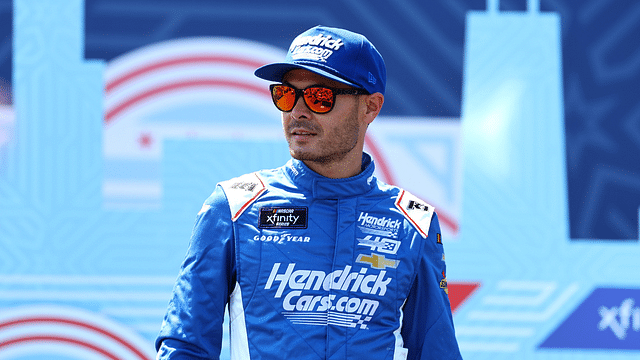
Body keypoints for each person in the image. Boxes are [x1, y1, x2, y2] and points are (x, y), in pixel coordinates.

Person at [155, 25, 462, 360]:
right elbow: (185, 348)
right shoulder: (232, 208)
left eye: (320, 98)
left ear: (370, 107)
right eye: (286, 95)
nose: (297, 112)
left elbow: (437, 352)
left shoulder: (414, 224)